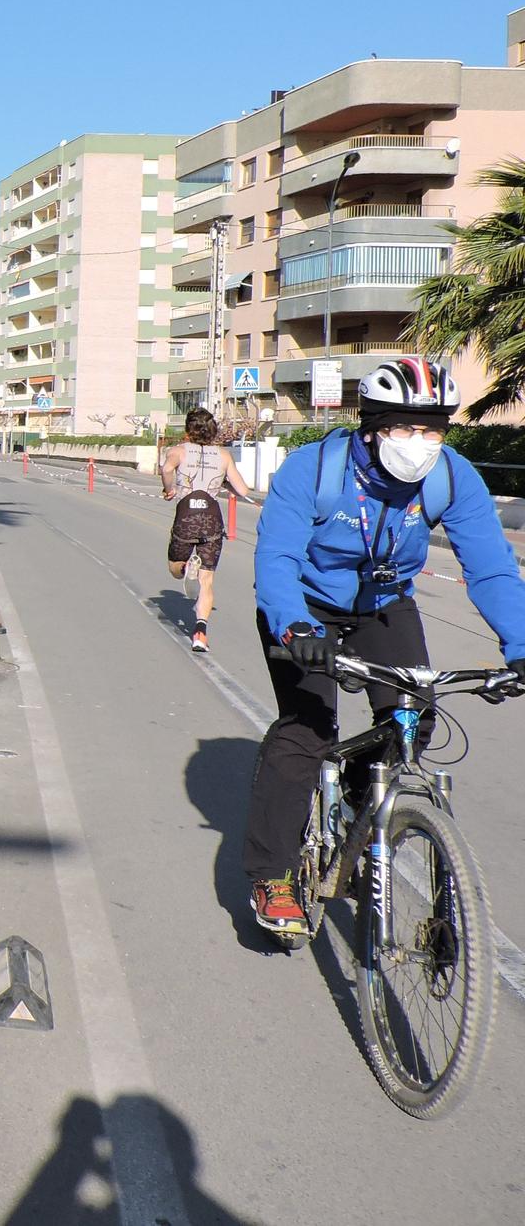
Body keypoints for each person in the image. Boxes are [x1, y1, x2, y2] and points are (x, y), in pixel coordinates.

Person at [244, 357, 525, 939]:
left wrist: (521, 644)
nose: (419, 443)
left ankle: (358, 798)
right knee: (307, 729)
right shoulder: (313, 471)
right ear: (371, 428)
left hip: (383, 605)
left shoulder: (452, 477)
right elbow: (276, 559)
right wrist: (295, 628)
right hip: (306, 607)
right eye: (404, 428)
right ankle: (272, 875)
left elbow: (493, 570)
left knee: (412, 720)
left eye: (432, 430)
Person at [159, 407, 253, 653]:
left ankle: (187, 566)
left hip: (186, 519)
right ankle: (200, 631)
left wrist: (169, 489)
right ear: (214, 431)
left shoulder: (177, 451)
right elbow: (242, 490)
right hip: (212, 521)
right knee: (207, 580)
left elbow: (167, 470)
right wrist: (222, 481)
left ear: (188, 430)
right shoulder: (223, 456)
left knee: (175, 569)